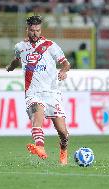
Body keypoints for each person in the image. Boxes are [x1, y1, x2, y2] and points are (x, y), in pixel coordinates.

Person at [6, 15, 71, 165]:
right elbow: (17, 60)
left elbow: (66, 63)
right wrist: (10, 67)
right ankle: (40, 148)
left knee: (63, 132)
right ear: (27, 29)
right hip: (33, 92)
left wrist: (63, 71)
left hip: (52, 93)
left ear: (40, 29)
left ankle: (64, 150)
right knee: (37, 118)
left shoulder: (50, 46)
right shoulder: (20, 47)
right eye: (32, 30)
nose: (35, 33)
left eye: (37, 30)